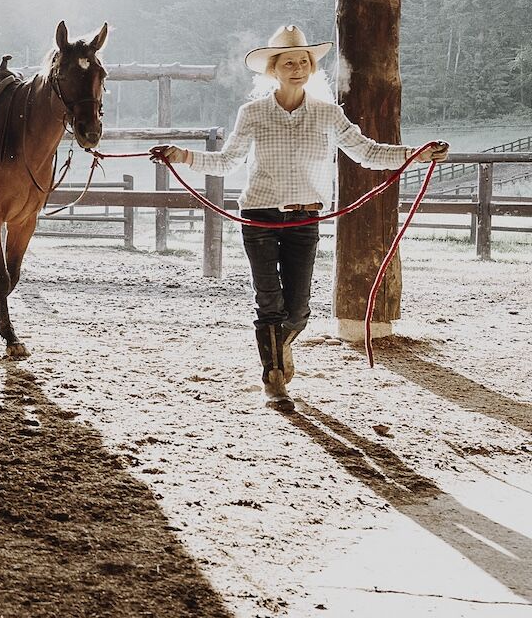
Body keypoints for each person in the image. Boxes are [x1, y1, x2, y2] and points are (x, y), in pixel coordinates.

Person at [151, 25, 447, 406]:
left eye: (303, 61)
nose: (297, 67)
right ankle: (274, 379)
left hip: (305, 219)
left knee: (299, 310)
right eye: (288, 61)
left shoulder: (327, 114)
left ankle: (280, 348)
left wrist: (418, 154)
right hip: (259, 216)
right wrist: (182, 155)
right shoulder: (253, 113)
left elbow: (367, 152)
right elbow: (227, 161)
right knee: (268, 302)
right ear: (273, 68)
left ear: (311, 67)